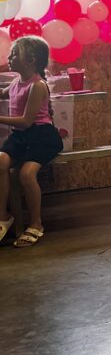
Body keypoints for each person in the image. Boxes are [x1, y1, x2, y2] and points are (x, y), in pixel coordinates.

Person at [0, 36, 64, 247]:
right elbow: (3, 93)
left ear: (31, 59)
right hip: (21, 137)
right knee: (0, 161)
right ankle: (3, 217)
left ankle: (36, 223)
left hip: (41, 136)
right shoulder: (16, 82)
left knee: (27, 174)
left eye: (14, 54)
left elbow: (27, 121)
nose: (9, 57)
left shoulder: (38, 86)